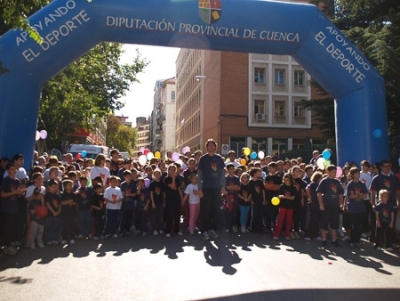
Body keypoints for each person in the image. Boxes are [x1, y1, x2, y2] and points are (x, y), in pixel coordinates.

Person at [197, 139, 226, 240]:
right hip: (206, 187)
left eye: (212, 145)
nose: (211, 147)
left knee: (215, 210)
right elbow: (199, 175)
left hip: (217, 188)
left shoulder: (219, 159)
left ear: (215, 147)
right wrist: (199, 189)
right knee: (205, 210)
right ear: (207, 147)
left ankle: (212, 229)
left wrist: (223, 186)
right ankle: (204, 230)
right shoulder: (203, 159)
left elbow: (222, 173)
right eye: (209, 145)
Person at [369, 160, 400, 248]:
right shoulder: (377, 178)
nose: (387, 168)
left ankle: (390, 243)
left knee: (391, 224)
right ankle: (379, 242)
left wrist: (399, 202)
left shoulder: (394, 178)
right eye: (385, 166)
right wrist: (373, 203)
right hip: (380, 205)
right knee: (379, 224)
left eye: (388, 166)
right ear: (381, 167)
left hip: (392, 204)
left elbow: (397, 190)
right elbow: (372, 191)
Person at [0, 163, 26, 255]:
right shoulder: (5, 181)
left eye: (15, 169)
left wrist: (20, 193)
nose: (14, 171)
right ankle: (6, 245)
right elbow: (2, 194)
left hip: (15, 206)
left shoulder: (17, 181)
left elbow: (18, 194)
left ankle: (11, 243)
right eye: (12, 169)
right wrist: (15, 192)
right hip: (6, 207)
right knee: (6, 227)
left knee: (12, 226)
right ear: (8, 171)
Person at [316, 165, 344, 247]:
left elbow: (340, 194)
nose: (334, 174)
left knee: (334, 224)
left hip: (335, 206)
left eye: (335, 172)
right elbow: (319, 193)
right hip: (326, 205)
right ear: (328, 172)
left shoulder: (337, 182)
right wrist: (321, 204)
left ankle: (334, 240)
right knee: (324, 223)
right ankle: (324, 240)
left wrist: (341, 203)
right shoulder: (324, 181)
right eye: (333, 172)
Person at [345, 167, 368, 248]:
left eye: (359, 173)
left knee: (359, 225)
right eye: (356, 173)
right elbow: (351, 196)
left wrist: (358, 195)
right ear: (352, 175)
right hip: (352, 208)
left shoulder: (362, 184)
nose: (358, 175)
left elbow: (365, 195)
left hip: (360, 208)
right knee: (353, 225)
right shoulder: (350, 184)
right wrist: (359, 195)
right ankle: (352, 240)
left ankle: (357, 240)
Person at [273, 174, 297, 240]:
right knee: (280, 220)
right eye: (285, 180)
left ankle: (287, 235)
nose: (286, 181)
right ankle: (276, 234)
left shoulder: (293, 187)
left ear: (290, 180)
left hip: (290, 206)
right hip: (282, 205)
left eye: (287, 180)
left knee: (289, 221)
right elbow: (279, 195)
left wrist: (285, 197)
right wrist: (280, 196)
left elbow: (293, 197)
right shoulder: (282, 186)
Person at [25, 172, 46, 247]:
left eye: (42, 179)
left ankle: (39, 241)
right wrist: (34, 197)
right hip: (32, 209)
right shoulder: (30, 188)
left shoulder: (43, 188)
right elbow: (27, 199)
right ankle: (30, 242)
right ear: (34, 179)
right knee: (31, 226)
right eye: (38, 179)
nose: (40, 180)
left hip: (41, 210)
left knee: (40, 226)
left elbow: (43, 199)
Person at [164, 164, 183, 237]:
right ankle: (168, 231)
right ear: (168, 170)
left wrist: (182, 199)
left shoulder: (177, 179)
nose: (172, 171)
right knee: (169, 216)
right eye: (170, 170)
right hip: (169, 199)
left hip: (176, 199)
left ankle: (177, 229)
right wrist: (173, 178)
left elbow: (178, 189)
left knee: (177, 215)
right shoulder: (166, 179)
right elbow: (172, 186)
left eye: (173, 170)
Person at [304, 171, 323, 241]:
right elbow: (307, 189)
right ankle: (308, 234)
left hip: (319, 204)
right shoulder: (313, 184)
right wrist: (309, 197)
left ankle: (315, 234)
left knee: (318, 220)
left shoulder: (320, 184)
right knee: (313, 220)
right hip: (314, 203)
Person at [224, 163, 240, 233]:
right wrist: (234, 187)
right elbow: (226, 187)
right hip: (227, 197)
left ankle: (233, 226)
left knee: (233, 212)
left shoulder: (236, 178)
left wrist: (231, 188)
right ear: (227, 170)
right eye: (231, 169)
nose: (232, 170)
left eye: (233, 169)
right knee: (227, 212)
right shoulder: (225, 178)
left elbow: (238, 188)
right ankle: (227, 226)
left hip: (235, 196)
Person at [120, 170, 137, 237]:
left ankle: (128, 230)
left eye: (130, 176)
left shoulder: (133, 184)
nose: (129, 178)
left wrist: (129, 194)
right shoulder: (122, 184)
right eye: (127, 176)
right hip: (124, 204)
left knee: (129, 218)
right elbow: (121, 193)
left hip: (130, 204)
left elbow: (135, 194)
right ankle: (122, 230)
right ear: (124, 177)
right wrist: (123, 194)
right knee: (123, 217)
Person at [249, 167, 266, 233]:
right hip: (254, 200)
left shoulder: (260, 182)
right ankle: (253, 227)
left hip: (260, 200)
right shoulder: (250, 182)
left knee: (260, 214)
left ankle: (260, 227)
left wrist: (264, 200)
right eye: (258, 172)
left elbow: (263, 191)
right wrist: (251, 200)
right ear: (254, 173)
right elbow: (250, 192)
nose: (260, 173)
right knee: (254, 214)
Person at [45, 179, 62, 245]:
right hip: (50, 214)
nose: (55, 188)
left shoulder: (57, 195)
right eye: (53, 187)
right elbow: (48, 204)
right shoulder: (47, 195)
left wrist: (58, 211)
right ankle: (49, 239)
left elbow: (60, 204)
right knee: (50, 227)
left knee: (56, 227)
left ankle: (55, 239)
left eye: (56, 187)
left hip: (57, 214)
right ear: (49, 187)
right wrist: (53, 212)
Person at [60, 179, 77, 245]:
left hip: (72, 212)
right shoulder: (63, 194)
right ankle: (65, 238)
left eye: (71, 185)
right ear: (65, 186)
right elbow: (62, 203)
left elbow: (75, 203)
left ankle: (72, 238)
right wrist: (69, 202)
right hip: (65, 212)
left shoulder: (73, 194)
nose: (71, 186)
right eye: (69, 185)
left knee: (72, 225)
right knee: (65, 226)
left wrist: (70, 202)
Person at [150, 169, 166, 235]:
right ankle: (155, 229)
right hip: (155, 202)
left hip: (161, 202)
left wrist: (164, 202)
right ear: (154, 175)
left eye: (158, 174)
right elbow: (151, 193)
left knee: (161, 216)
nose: (157, 175)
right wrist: (153, 202)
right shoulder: (152, 183)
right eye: (155, 174)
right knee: (154, 216)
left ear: (160, 175)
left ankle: (160, 228)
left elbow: (164, 193)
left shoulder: (162, 183)